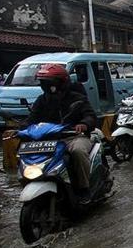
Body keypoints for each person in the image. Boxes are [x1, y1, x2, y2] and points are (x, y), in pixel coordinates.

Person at [27, 64, 96, 204]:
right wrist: (19, 129)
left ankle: (84, 188)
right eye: (43, 83)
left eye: (49, 83)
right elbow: (31, 119)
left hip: (73, 137)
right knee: (27, 152)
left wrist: (84, 124)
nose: (46, 86)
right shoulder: (42, 100)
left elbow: (90, 116)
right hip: (49, 140)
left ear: (60, 82)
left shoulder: (77, 98)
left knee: (77, 151)